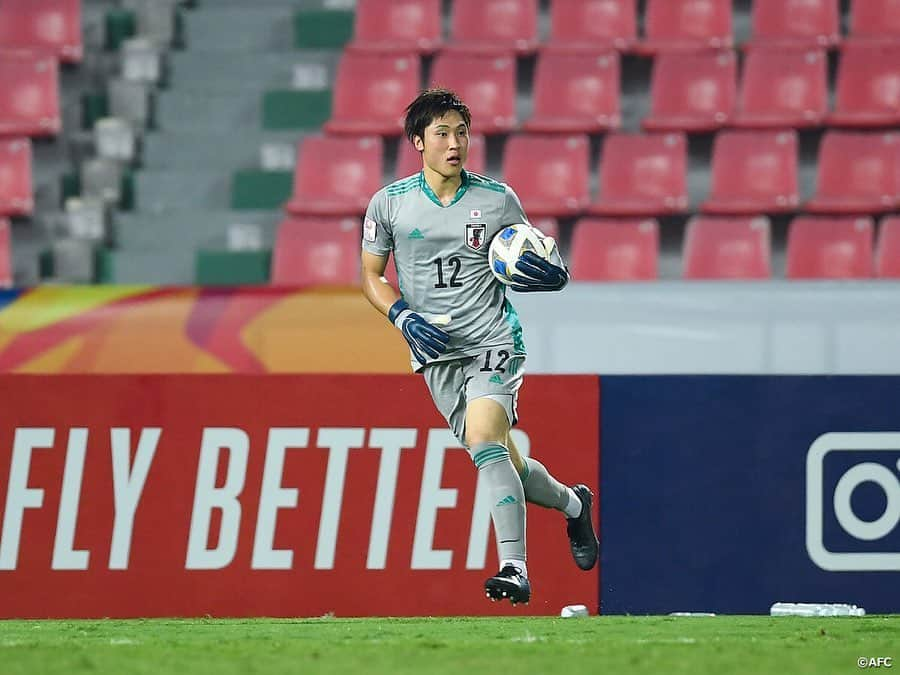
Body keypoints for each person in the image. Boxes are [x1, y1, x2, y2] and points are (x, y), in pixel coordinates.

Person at [360, 88, 599, 605]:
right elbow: (371, 277)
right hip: (435, 352)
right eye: (442, 133)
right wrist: (401, 315)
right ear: (418, 142)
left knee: (486, 438)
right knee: (501, 458)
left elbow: (534, 257)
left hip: (492, 339)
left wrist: (552, 275)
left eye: (461, 132)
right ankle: (574, 506)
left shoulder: (498, 200)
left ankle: (514, 566)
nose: (455, 143)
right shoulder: (389, 205)